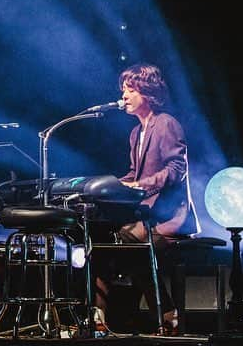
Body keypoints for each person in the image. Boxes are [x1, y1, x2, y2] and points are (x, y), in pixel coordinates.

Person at [93, 63, 200, 336]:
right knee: (103, 248)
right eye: (123, 90)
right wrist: (114, 186)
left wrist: (138, 185)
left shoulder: (166, 124)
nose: (124, 96)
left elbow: (176, 169)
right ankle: (97, 321)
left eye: (130, 90)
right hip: (147, 218)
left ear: (148, 92)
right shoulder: (136, 133)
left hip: (172, 218)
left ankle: (167, 317)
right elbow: (136, 173)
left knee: (129, 247)